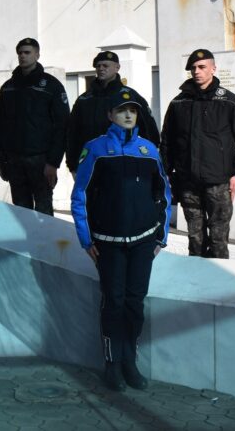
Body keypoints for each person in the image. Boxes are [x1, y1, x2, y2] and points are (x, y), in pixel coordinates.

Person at [70, 87, 171, 392]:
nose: (128, 115)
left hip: (142, 243)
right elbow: (80, 195)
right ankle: (112, 363)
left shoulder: (149, 150)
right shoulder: (95, 149)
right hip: (108, 242)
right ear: (110, 115)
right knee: (113, 302)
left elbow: (163, 194)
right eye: (122, 110)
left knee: (134, 304)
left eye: (133, 110)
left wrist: (160, 237)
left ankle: (130, 361)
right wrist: (86, 240)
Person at [159, 49, 235, 258]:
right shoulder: (178, 103)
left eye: (202, 67)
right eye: (193, 68)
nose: (197, 71)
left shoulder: (229, 101)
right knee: (195, 239)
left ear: (213, 69)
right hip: (188, 182)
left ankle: (219, 276)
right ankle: (196, 277)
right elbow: (167, 142)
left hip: (218, 183)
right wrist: (166, 172)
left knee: (219, 241)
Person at [0, 37, 69, 214]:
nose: (22, 56)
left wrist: (53, 162)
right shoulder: (8, 87)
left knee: (44, 213)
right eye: (20, 53)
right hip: (14, 160)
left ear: (37, 55)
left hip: (41, 160)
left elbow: (62, 125)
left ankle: (45, 235)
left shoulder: (51, 85)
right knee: (21, 212)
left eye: (27, 52)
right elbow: (0, 124)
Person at [66, 51, 159, 177]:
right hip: (90, 162)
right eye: (98, 66)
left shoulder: (130, 96)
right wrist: (72, 166)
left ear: (117, 67)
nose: (101, 69)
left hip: (123, 162)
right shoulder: (85, 99)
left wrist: (151, 160)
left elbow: (149, 130)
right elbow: (72, 133)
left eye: (105, 66)